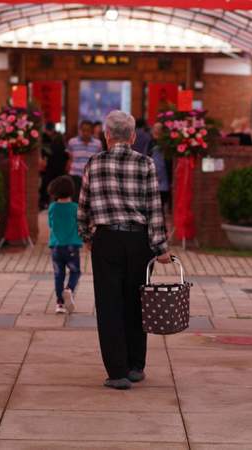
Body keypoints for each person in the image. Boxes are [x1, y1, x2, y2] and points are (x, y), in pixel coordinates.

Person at [78, 110, 171, 390]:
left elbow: (84, 205)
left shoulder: (94, 162)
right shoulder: (145, 163)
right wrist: (160, 247)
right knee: (137, 302)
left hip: (106, 239)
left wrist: (87, 236)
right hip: (138, 241)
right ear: (132, 137)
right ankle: (135, 366)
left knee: (109, 305)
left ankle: (117, 372)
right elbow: (154, 207)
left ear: (106, 135)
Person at [48, 175, 82, 314]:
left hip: (56, 247)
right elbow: (80, 224)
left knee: (58, 275)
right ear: (71, 191)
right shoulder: (75, 208)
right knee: (75, 271)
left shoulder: (52, 207)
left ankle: (59, 304)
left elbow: (50, 224)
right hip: (72, 246)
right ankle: (69, 289)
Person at [67, 120, 102, 201]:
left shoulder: (98, 144)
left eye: (88, 130)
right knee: (75, 199)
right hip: (75, 175)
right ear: (80, 130)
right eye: (83, 130)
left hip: (91, 176)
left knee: (89, 200)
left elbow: (98, 160)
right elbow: (69, 158)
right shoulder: (72, 142)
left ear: (92, 131)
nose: (85, 133)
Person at [39, 122, 69, 210]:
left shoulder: (46, 140)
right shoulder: (60, 141)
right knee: (57, 186)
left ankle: (44, 203)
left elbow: (45, 154)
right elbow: (66, 155)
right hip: (58, 168)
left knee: (46, 186)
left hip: (50, 168)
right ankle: (56, 202)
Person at [149, 122, 170, 212]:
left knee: (160, 206)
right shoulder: (150, 142)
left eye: (157, 129)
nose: (155, 130)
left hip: (162, 179)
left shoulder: (164, 144)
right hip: (154, 179)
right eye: (154, 128)